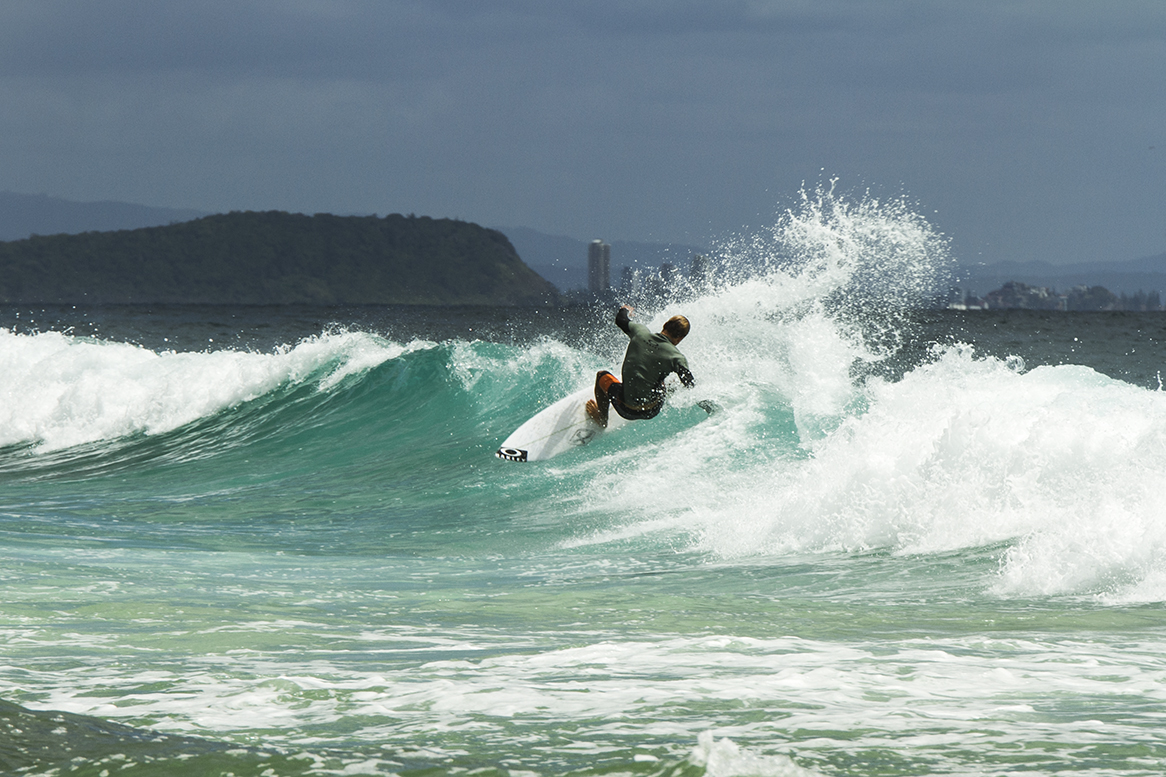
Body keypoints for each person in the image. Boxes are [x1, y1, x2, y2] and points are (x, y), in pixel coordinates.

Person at [586, 305, 694, 428]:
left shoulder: (640, 332)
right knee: (665, 378)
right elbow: (690, 386)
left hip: (625, 409)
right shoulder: (677, 357)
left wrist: (625, 309)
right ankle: (667, 389)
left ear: (665, 325)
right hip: (652, 410)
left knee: (601, 375)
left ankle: (602, 419)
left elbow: (620, 320)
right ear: (680, 338)